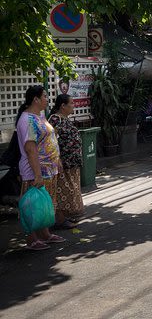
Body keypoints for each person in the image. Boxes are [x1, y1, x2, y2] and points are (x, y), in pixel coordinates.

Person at [16, 86, 66, 250]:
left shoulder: (40, 115)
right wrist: (37, 174)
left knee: (42, 204)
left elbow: (48, 139)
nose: (47, 98)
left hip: (48, 169)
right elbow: (30, 149)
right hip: (34, 171)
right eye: (44, 96)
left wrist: (56, 159)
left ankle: (45, 234)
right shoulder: (27, 120)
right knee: (31, 206)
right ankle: (31, 239)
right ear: (35, 99)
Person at [48, 94, 84, 227]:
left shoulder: (65, 119)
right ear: (63, 106)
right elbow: (51, 142)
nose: (73, 106)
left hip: (72, 162)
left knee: (70, 190)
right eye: (71, 103)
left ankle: (67, 217)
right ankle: (60, 220)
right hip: (63, 163)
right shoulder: (55, 120)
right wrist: (57, 159)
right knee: (62, 191)